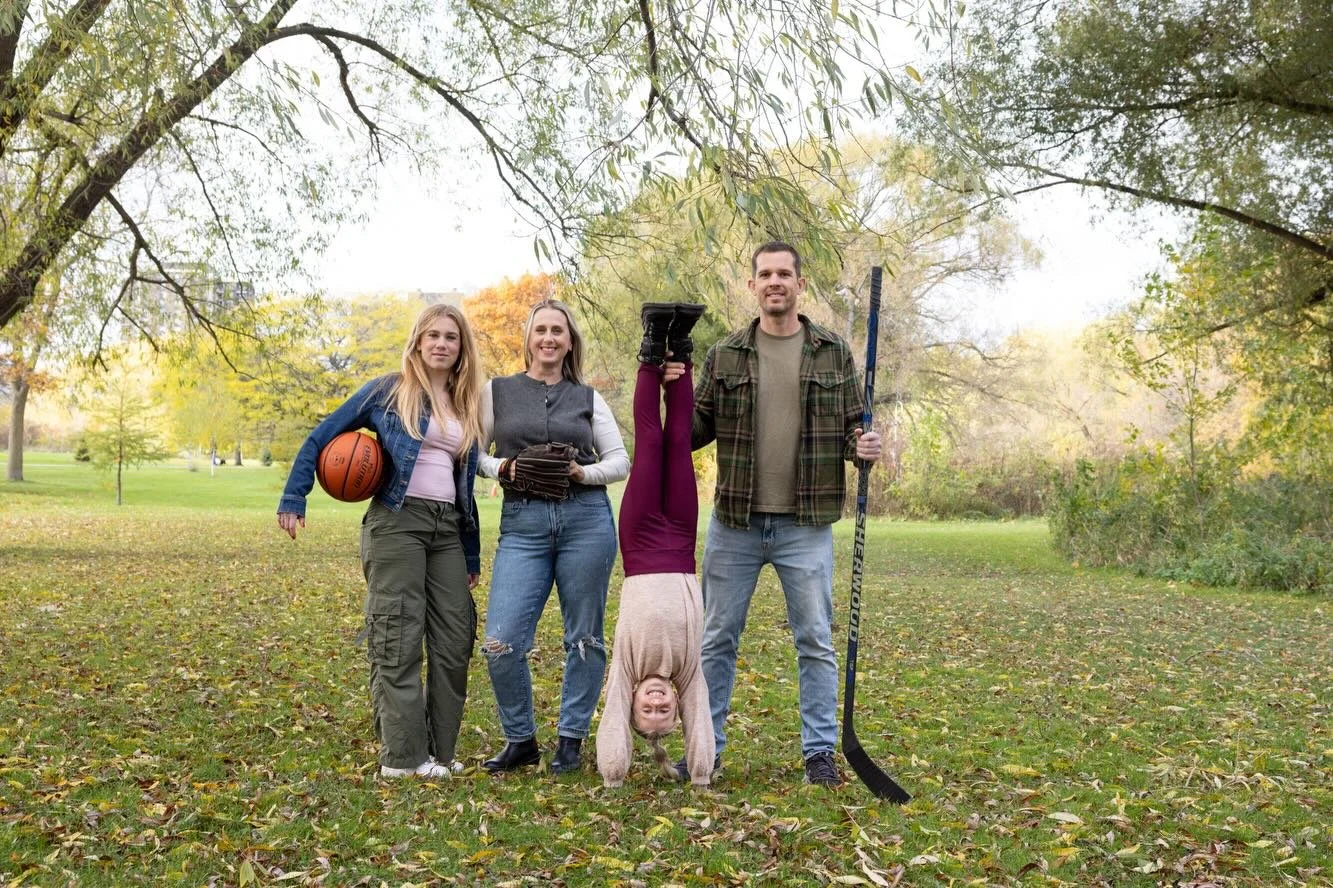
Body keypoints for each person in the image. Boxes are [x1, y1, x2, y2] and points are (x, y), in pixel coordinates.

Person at [684, 241, 883, 787]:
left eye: (784, 274)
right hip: (736, 522)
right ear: (752, 285)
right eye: (765, 274)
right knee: (717, 638)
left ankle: (819, 752)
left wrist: (861, 445)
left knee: (815, 639)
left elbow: (850, 426)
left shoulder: (832, 351)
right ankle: (708, 748)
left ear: (799, 283)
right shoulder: (724, 353)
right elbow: (693, 433)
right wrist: (670, 391)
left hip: (805, 523)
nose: (775, 282)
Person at [276, 303, 485, 779]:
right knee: (398, 636)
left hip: (447, 530)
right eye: (431, 335)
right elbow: (321, 436)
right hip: (397, 523)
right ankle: (403, 757)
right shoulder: (389, 392)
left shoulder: (466, 400)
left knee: (455, 640)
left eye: (450, 337)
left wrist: (470, 553)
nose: (440, 344)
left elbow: (466, 485)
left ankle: (441, 752)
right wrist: (295, 497)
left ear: (460, 348)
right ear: (416, 341)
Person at [478, 299, 630, 775]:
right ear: (527, 339)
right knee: (500, 642)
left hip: (585, 520)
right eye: (540, 330)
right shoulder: (495, 392)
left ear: (569, 341)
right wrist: (506, 466)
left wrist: (581, 473)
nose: (548, 338)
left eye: (557, 331)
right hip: (523, 523)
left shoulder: (588, 397)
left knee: (584, 637)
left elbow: (621, 462)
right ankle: (521, 739)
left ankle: (571, 739)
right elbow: (472, 455)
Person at [595, 303, 715, 788]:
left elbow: (613, 729)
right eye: (665, 711)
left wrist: (614, 777)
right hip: (682, 547)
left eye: (648, 710)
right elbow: (701, 720)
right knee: (678, 439)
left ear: (633, 705)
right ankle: (681, 345)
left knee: (650, 442)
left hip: (643, 547)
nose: (658, 703)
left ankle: (650, 347)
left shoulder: (627, 669)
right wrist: (700, 775)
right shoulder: (687, 674)